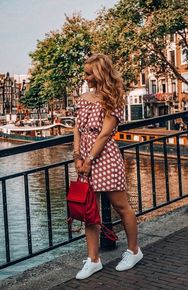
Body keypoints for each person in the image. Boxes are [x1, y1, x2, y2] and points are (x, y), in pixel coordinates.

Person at [73, 53, 143, 280]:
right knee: (89, 212)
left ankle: (134, 251)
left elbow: (104, 134)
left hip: (104, 157)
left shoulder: (112, 98)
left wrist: (89, 159)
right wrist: (76, 156)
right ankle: (93, 260)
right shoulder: (83, 98)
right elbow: (77, 129)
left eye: (88, 73)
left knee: (121, 206)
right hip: (85, 158)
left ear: (99, 73)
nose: (85, 77)